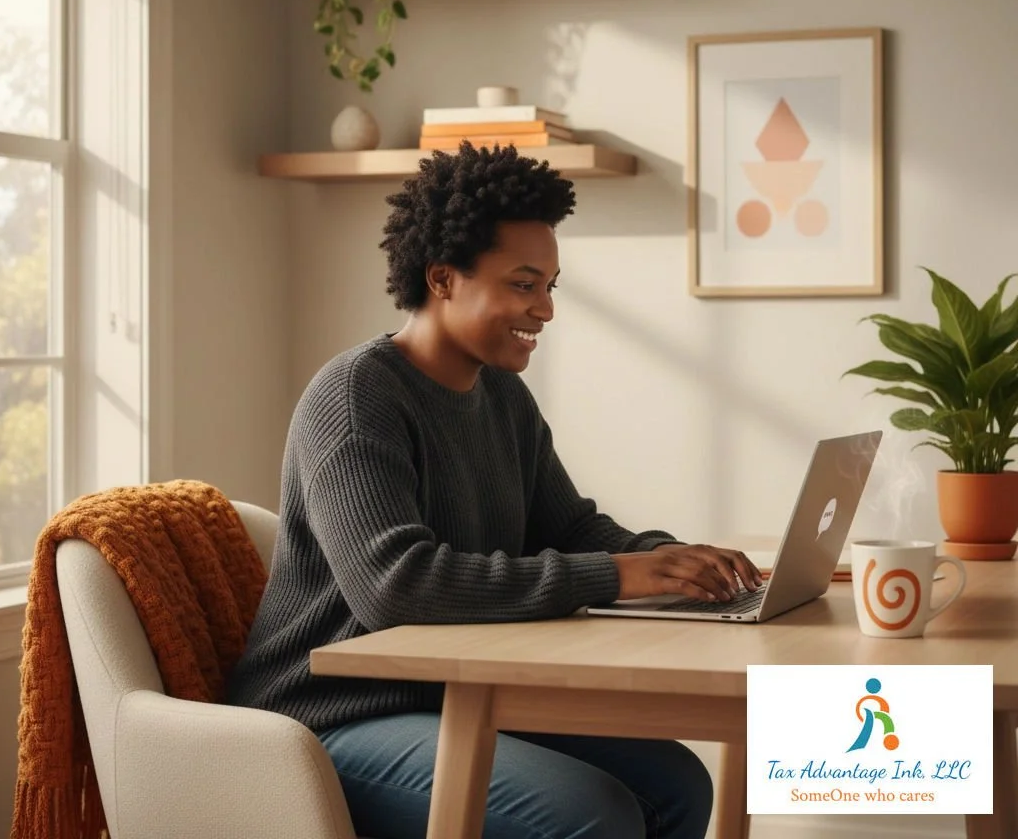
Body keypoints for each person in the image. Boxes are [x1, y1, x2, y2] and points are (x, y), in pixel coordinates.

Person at [227, 142, 763, 839]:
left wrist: (675, 559)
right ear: (442, 278)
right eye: (523, 284)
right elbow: (394, 586)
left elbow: (570, 528)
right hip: (330, 713)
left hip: (446, 694)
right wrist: (617, 574)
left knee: (678, 784)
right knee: (590, 813)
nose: (546, 309)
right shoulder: (357, 397)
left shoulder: (503, 397)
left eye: (551, 286)